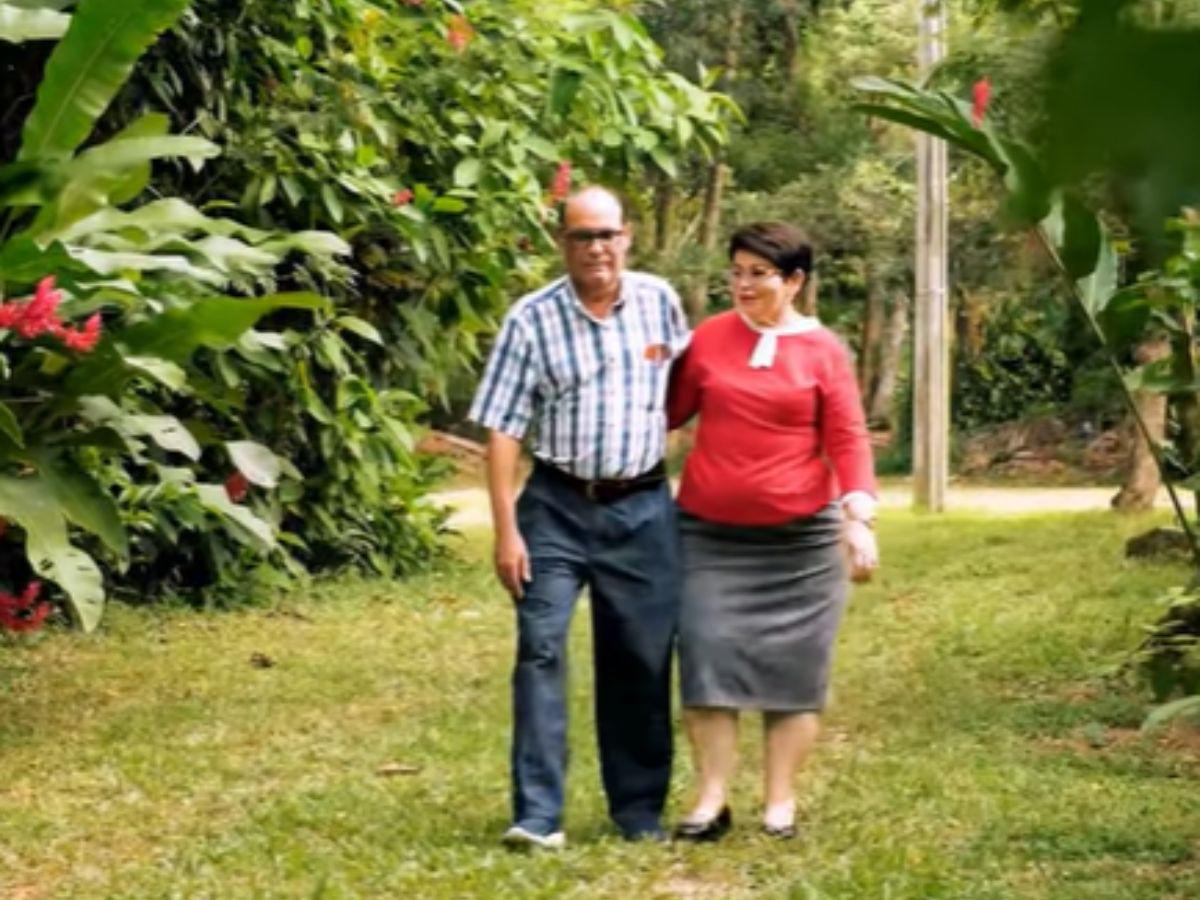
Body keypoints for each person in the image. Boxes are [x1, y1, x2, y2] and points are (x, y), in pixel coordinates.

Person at [468, 186, 690, 849]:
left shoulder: (659, 302)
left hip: (645, 508)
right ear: (561, 244)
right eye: (581, 236)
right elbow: (503, 431)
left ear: (628, 237)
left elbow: (686, 395)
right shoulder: (530, 319)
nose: (597, 248)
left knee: (642, 659)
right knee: (540, 650)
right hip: (556, 509)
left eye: (606, 234)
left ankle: (639, 812)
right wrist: (507, 530)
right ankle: (538, 816)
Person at [666, 221, 879, 841]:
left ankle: (779, 802)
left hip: (802, 545)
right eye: (736, 272)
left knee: (795, 674)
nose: (743, 284)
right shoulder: (707, 340)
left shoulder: (824, 351)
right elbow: (668, 409)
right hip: (709, 535)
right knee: (706, 657)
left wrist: (857, 518)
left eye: (759, 274)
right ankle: (710, 800)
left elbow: (847, 437)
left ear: (794, 282)